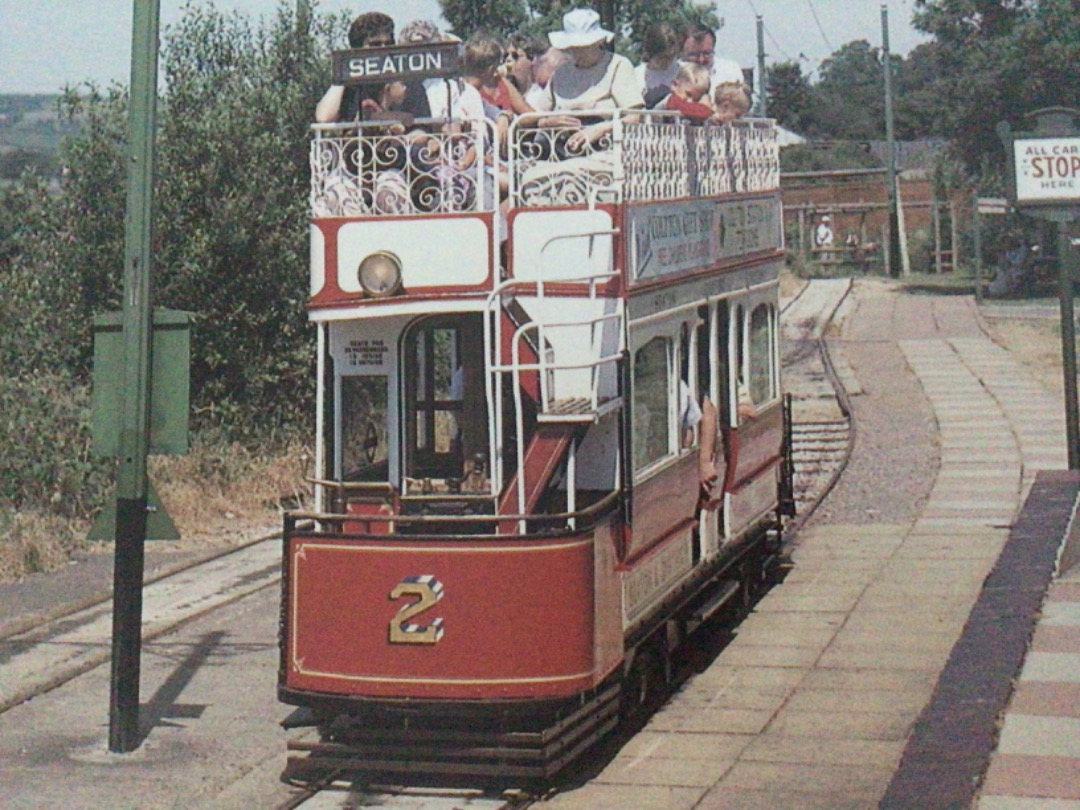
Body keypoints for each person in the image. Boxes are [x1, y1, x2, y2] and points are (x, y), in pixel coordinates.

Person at [681, 22, 751, 115]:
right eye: (694, 55)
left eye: (706, 53)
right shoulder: (676, 71)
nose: (701, 59)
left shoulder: (730, 70)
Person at [635, 22, 683, 108]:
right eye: (662, 57)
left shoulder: (684, 72)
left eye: (671, 57)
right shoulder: (636, 76)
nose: (667, 62)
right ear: (650, 53)